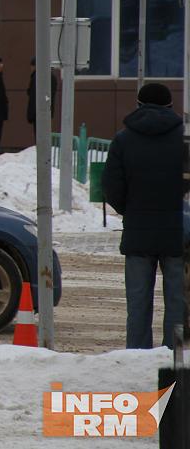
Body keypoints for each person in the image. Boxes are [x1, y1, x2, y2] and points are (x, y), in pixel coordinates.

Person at [103, 82, 187, 349]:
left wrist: (129, 210)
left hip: (138, 229)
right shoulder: (184, 139)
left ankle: (137, 354)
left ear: (138, 105)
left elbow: (112, 185)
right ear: (170, 106)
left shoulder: (123, 139)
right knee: (177, 301)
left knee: (138, 302)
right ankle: (174, 356)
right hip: (178, 231)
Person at [26, 57, 59, 136]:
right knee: (44, 134)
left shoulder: (38, 77)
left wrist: (31, 114)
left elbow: (35, 96)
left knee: (40, 136)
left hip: (39, 111)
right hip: (46, 110)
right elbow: (48, 96)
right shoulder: (51, 76)